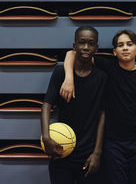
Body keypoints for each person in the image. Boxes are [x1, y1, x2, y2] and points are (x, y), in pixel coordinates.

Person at [60, 29, 136, 184]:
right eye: (120, 45)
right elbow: (71, 54)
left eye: (130, 44)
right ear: (115, 52)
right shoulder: (108, 68)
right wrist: (68, 78)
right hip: (113, 144)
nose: (125, 48)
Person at [41, 26, 107, 184]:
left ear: (96, 48)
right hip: (61, 151)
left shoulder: (102, 77)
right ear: (74, 46)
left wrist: (97, 153)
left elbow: (102, 115)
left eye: (91, 43)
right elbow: (46, 106)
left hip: (88, 154)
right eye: (81, 42)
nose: (85, 47)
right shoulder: (60, 73)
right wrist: (46, 136)